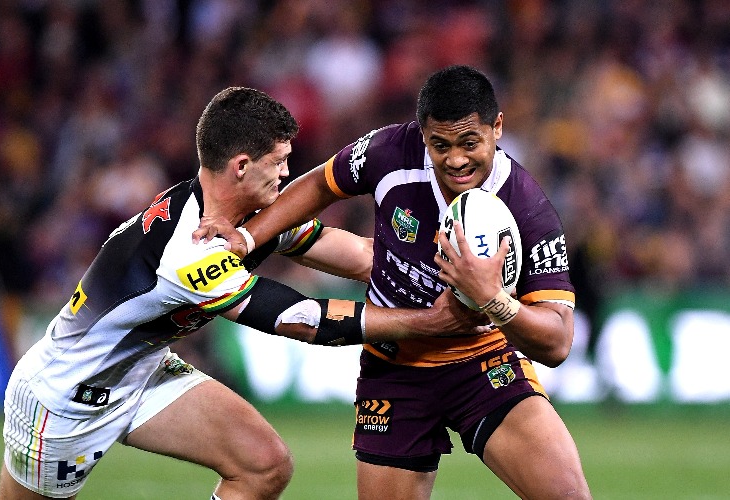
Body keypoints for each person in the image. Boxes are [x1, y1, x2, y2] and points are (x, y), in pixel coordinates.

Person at [0, 87, 486, 500]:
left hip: (139, 370)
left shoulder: (248, 216)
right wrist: (429, 323)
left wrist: (444, 265)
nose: (287, 175)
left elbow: (355, 253)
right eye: (279, 162)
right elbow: (302, 319)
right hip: (63, 397)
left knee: (264, 465)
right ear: (241, 165)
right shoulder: (189, 249)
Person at [195, 66, 592, 499]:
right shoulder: (390, 151)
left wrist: (493, 299)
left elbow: (557, 343)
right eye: (440, 145)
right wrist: (250, 235)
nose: (456, 160)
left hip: (483, 363)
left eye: (469, 143)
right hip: (393, 371)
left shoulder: (528, 209)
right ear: (422, 133)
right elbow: (320, 185)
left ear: (497, 127)